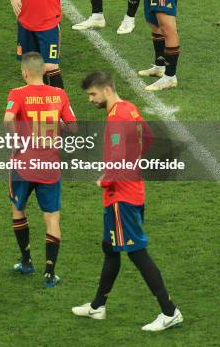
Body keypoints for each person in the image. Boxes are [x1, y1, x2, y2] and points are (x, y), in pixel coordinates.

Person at [72, 70, 183, 331]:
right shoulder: (129, 109)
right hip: (131, 189)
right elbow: (149, 137)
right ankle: (98, 306)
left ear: (106, 90)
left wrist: (106, 179)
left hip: (121, 195)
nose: (91, 99)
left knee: (135, 251)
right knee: (110, 248)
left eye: (92, 94)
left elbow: (117, 158)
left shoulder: (117, 118)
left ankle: (170, 311)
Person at [4, 52, 77, 287]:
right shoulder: (59, 94)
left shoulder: (17, 93)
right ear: (45, 71)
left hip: (23, 164)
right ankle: (49, 273)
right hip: (49, 165)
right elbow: (74, 128)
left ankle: (26, 261)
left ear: (24, 72)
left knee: (18, 209)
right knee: (52, 217)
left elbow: (7, 118)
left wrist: (15, 139)